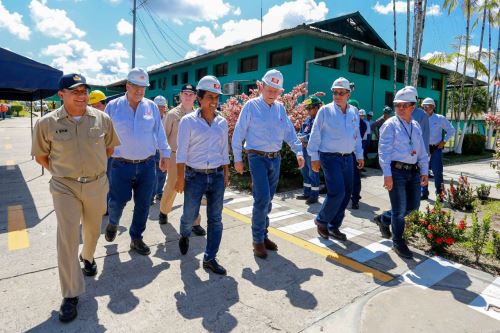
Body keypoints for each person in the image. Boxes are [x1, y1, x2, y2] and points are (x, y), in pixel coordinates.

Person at [31, 73, 120, 322]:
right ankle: (70, 293)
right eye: (75, 91)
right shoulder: (46, 123)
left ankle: (88, 257)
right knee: (68, 237)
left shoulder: (102, 119)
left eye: (84, 91)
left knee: (92, 231)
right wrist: (63, 175)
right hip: (64, 187)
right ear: (62, 95)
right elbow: (41, 156)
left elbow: (110, 149)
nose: (82, 96)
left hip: (97, 184)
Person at [232, 69, 304, 259]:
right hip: (257, 157)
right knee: (262, 198)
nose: (272, 92)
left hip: (276, 158)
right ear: (262, 87)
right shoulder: (251, 106)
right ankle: (257, 241)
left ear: (280, 92)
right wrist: (238, 159)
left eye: (276, 90)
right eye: (269, 88)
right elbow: (239, 132)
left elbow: (289, 132)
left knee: (268, 200)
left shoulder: (280, 108)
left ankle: (263, 235)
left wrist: (298, 151)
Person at [104, 68, 170, 256]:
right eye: (136, 86)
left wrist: (165, 154)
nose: (140, 91)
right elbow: (104, 134)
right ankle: (113, 222)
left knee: (143, 204)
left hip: (147, 165)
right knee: (117, 201)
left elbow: (159, 132)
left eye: (143, 87)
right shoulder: (113, 106)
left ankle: (136, 238)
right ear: (127, 86)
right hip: (120, 164)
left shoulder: (151, 107)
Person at [175, 75, 229, 275]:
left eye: (216, 97)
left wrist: (225, 172)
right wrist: (180, 178)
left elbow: (224, 150)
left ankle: (210, 258)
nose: (213, 102)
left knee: (215, 218)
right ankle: (184, 234)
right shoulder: (188, 122)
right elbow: (181, 152)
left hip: (216, 176)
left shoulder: (222, 122)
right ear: (199, 98)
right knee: (189, 215)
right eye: (209, 97)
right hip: (194, 176)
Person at [307, 77, 364, 241]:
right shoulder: (325, 111)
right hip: (329, 157)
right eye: (335, 93)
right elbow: (315, 134)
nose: (337, 96)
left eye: (341, 93)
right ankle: (322, 220)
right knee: (337, 192)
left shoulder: (353, 111)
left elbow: (356, 136)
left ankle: (333, 226)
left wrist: (359, 155)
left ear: (348, 94)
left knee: (346, 194)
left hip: (348, 158)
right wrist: (314, 157)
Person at [376, 86, 428, 259]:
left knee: (412, 207)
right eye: (397, 105)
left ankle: (383, 219)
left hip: (413, 172)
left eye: (404, 105)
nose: (400, 108)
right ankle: (398, 242)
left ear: (413, 107)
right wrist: (387, 174)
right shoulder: (390, 124)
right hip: (396, 172)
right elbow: (383, 151)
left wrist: (424, 171)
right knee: (399, 211)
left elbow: (421, 151)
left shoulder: (415, 126)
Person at [158, 84, 206, 235]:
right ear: (180, 95)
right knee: (172, 185)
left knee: (194, 189)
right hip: (174, 155)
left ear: (195, 97)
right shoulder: (172, 115)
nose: (188, 96)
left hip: (193, 157)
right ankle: (164, 211)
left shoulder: (199, 115)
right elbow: (163, 137)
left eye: (191, 94)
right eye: (185, 93)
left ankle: (194, 221)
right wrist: (163, 157)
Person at [421, 97, 455, 200]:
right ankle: (424, 192)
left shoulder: (440, 118)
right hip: (424, 149)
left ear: (433, 107)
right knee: (423, 171)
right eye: (424, 106)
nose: (426, 108)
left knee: (437, 172)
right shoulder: (421, 118)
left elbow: (451, 130)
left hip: (436, 148)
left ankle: (439, 194)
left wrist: (444, 141)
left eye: (428, 106)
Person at [296, 96, 322, 205]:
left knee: (313, 173)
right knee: (305, 171)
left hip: (313, 151)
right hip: (304, 149)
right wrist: (300, 137)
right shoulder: (308, 119)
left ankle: (314, 196)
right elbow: (302, 132)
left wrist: (305, 139)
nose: (308, 110)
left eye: (310, 108)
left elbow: (317, 135)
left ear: (316, 108)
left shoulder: (319, 119)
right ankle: (306, 192)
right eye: (307, 108)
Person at [151, 95, 168, 204]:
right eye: (158, 106)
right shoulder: (149, 118)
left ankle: (159, 193)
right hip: (153, 151)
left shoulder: (168, 117)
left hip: (164, 150)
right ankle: (151, 195)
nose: (161, 108)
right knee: (153, 175)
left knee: (162, 173)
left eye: (162, 106)